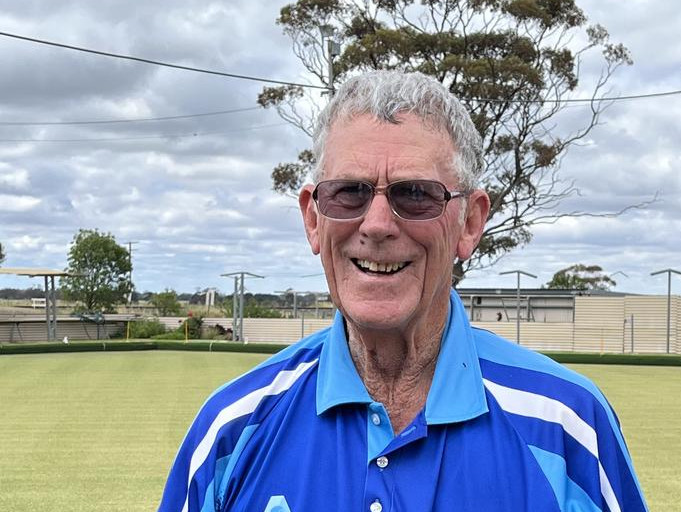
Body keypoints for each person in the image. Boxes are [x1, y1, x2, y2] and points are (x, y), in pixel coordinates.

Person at [159, 70, 647, 512]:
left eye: (414, 194)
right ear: (312, 218)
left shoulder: (568, 428)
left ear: (470, 223)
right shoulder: (231, 431)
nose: (376, 225)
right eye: (348, 192)